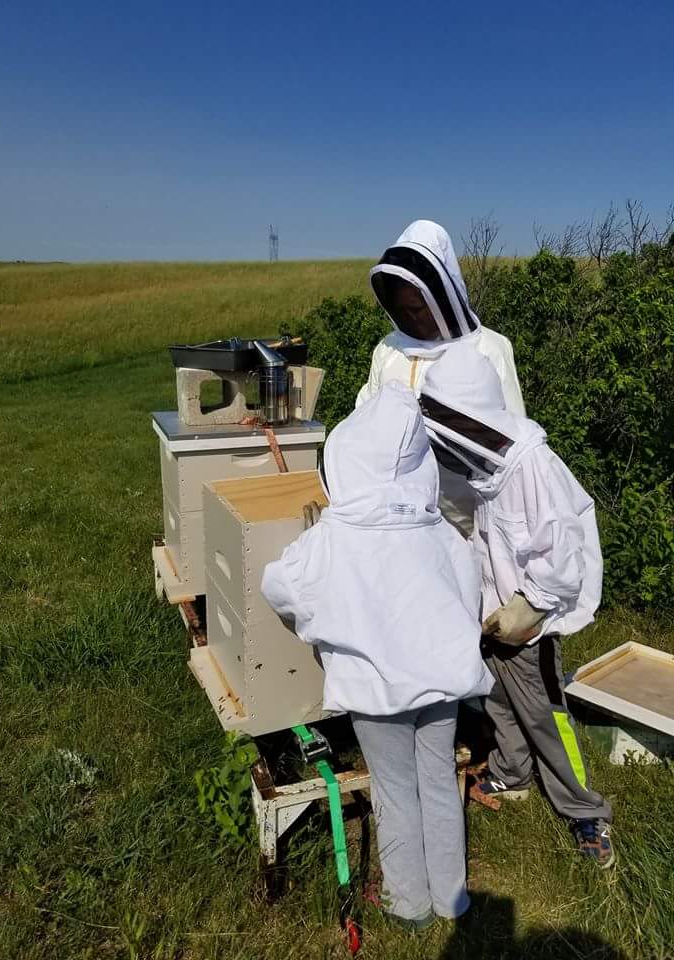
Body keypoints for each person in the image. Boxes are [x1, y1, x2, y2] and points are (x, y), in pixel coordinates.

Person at [261, 381, 493, 927]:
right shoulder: (440, 532)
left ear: (349, 458)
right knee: (438, 781)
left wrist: (316, 622)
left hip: (377, 692)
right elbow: (469, 595)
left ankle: (408, 904)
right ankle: (452, 900)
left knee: (394, 790)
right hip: (441, 683)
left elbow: (280, 586)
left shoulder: (333, 538)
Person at [419, 345, 614, 868]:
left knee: (549, 718)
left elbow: (564, 552)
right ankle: (512, 774)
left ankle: (586, 811)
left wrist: (531, 606)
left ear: (473, 417)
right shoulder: (489, 468)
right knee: (499, 703)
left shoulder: (533, 467)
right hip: (496, 617)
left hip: (532, 625)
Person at [359, 219, 525, 536]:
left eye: (418, 307)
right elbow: (365, 416)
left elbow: (513, 441)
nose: (411, 317)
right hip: (398, 518)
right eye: (403, 309)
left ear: (442, 297)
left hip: (469, 520)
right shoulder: (388, 350)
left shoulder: (490, 348)